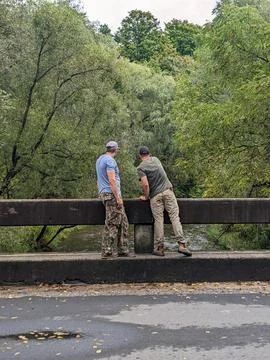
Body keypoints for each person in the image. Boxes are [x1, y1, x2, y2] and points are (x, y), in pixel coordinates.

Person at [137, 146, 192, 257]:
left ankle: (159, 248)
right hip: (168, 191)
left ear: (140, 156)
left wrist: (146, 197)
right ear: (149, 154)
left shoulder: (141, 168)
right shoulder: (156, 159)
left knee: (158, 220)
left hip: (155, 196)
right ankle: (182, 244)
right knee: (175, 217)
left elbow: (145, 184)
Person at [96, 141, 130, 259]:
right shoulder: (110, 161)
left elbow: (98, 180)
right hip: (112, 195)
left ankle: (123, 249)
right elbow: (112, 180)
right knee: (112, 224)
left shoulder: (100, 159)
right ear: (116, 149)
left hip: (104, 194)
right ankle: (107, 251)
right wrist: (118, 198)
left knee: (123, 222)